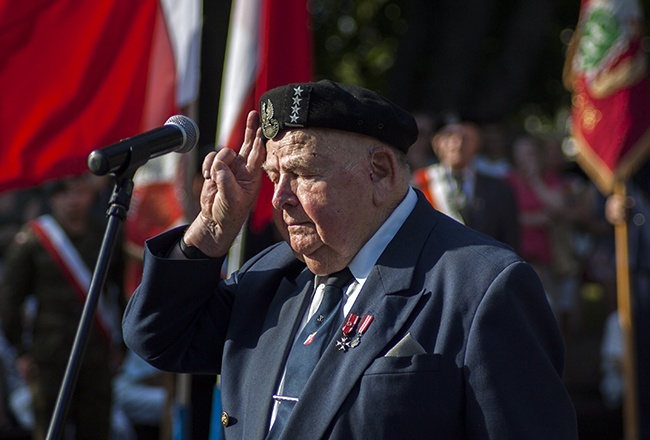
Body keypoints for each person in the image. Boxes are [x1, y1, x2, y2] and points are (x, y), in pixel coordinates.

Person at [122, 80, 578, 439]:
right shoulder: (272, 276)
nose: (280, 198)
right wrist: (213, 232)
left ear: (379, 171)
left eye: (302, 173)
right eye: (273, 175)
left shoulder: (480, 285)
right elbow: (158, 337)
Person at [0, 175, 124, 440]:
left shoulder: (106, 235)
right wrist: (21, 351)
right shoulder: (33, 240)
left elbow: (120, 292)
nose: (72, 201)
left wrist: (121, 346)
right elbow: (10, 301)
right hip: (49, 355)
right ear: (52, 198)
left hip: (96, 353)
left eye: (79, 192)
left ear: (90, 194)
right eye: (63, 193)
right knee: (48, 430)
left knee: (96, 429)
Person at [412, 118, 520, 252]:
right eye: (449, 136)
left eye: (465, 137)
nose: (457, 143)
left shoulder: (500, 190)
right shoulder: (419, 184)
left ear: (478, 143)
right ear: (436, 142)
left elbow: (510, 240)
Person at [604, 160, 650, 439]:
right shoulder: (634, 153)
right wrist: (610, 208)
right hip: (641, 270)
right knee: (641, 360)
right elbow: (604, 198)